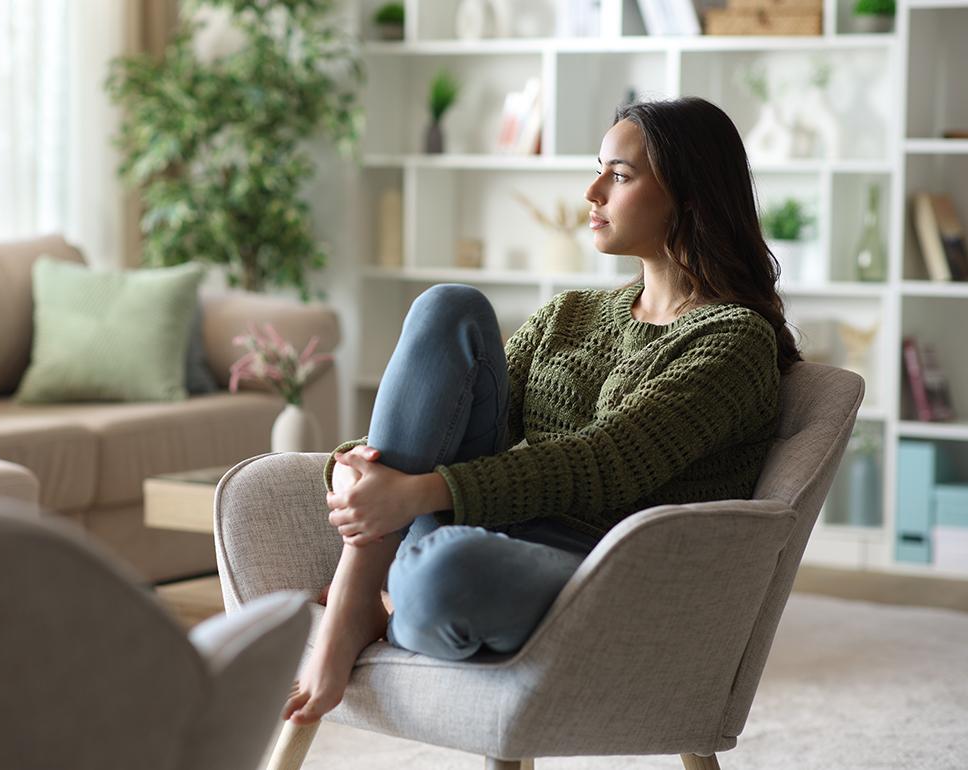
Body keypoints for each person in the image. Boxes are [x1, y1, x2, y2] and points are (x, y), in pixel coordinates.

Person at [281, 96, 803, 725]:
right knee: (450, 305)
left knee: (445, 573)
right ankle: (360, 587)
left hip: (604, 564)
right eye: (598, 169)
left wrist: (414, 494)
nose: (592, 191)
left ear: (690, 196)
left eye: (620, 175)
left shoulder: (732, 339)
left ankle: (395, 589)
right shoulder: (571, 313)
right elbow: (445, 423)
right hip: (484, 523)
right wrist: (351, 464)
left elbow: (607, 464)